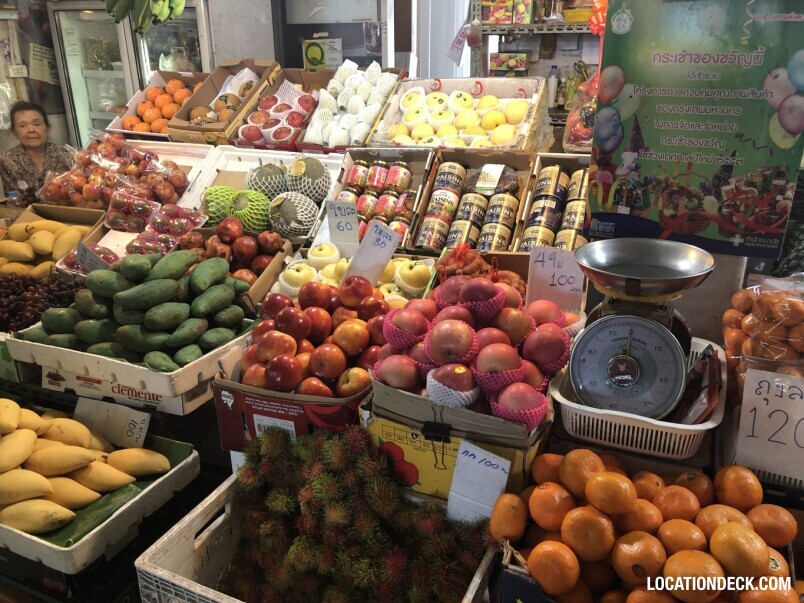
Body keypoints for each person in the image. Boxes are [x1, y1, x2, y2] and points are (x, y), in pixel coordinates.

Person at [0, 101, 73, 206]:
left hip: (65, 214)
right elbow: (14, 201)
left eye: (36, 124)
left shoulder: (65, 155)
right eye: (23, 125)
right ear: (15, 133)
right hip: (29, 217)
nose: (31, 130)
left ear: (48, 129)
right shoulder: (7, 160)